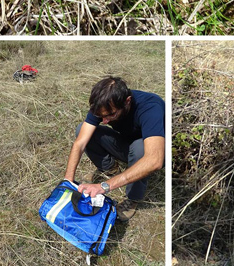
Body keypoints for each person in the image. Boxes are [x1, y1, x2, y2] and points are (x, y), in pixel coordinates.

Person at [64, 77, 165, 222]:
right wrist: (68, 179)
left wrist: (104, 186)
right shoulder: (103, 104)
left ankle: (132, 198)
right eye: (101, 116)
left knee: (139, 148)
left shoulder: (150, 107)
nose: (105, 121)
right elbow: (80, 143)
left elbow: (154, 160)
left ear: (127, 101)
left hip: (156, 149)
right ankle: (110, 168)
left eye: (111, 115)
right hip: (127, 143)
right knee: (82, 129)